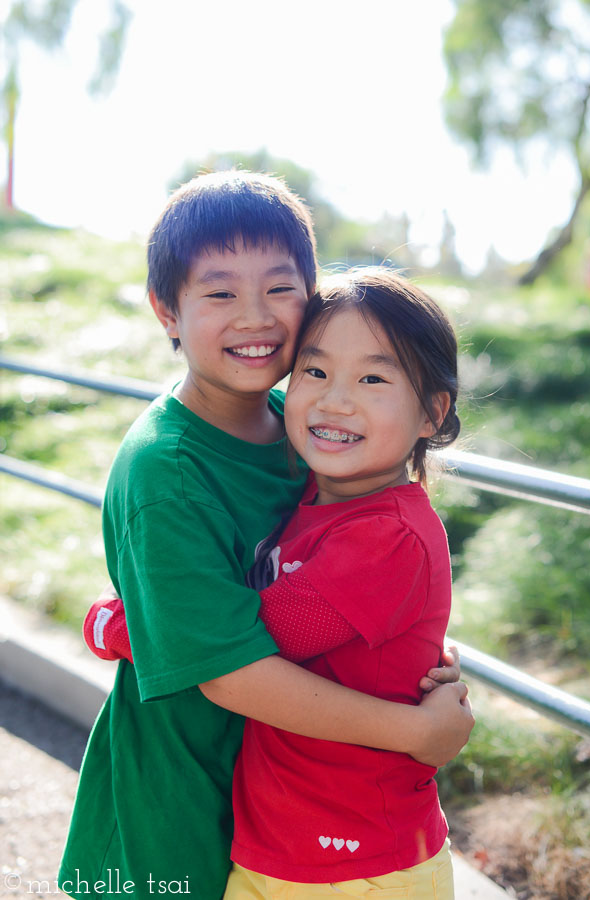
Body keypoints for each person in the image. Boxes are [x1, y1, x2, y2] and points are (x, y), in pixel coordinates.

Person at [61, 171, 473, 900]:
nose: (253, 316)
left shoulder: (308, 423)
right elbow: (230, 666)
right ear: (168, 311)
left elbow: (346, 575)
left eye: (278, 288)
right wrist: (417, 732)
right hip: (184, 785)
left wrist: (409, 642)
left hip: (296, 807)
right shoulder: (167, 472)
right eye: (219, 293)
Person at [224, 268, 463, 898]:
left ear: (431, 413)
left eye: (374, 379)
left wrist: (121, 624)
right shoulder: (316, 496)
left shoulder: (385, 538)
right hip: (290, 846)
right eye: (315, 371)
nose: (335, 401)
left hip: (360, 866)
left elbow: (235, 643)